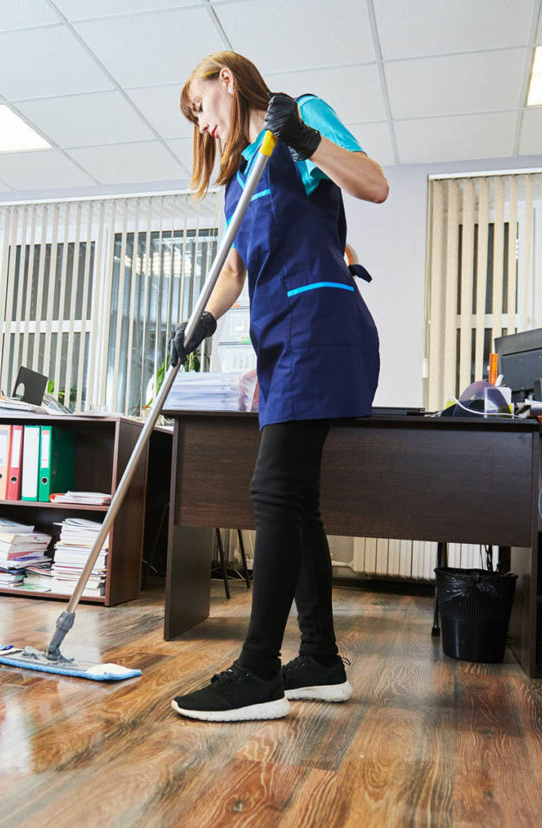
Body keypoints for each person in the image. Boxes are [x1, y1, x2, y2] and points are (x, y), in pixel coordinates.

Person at [168, 51, 388, 722]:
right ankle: (320, 660)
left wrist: (302, 137)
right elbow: (234, 271)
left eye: (199, 108)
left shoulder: (299, 119)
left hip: (321, 324)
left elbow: (373, 185)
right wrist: (200, 321)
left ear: (225, 80)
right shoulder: (240, 176)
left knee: (273, 491)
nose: (202, 126)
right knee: (297, 502)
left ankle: (258, 670)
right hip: (279, 340)